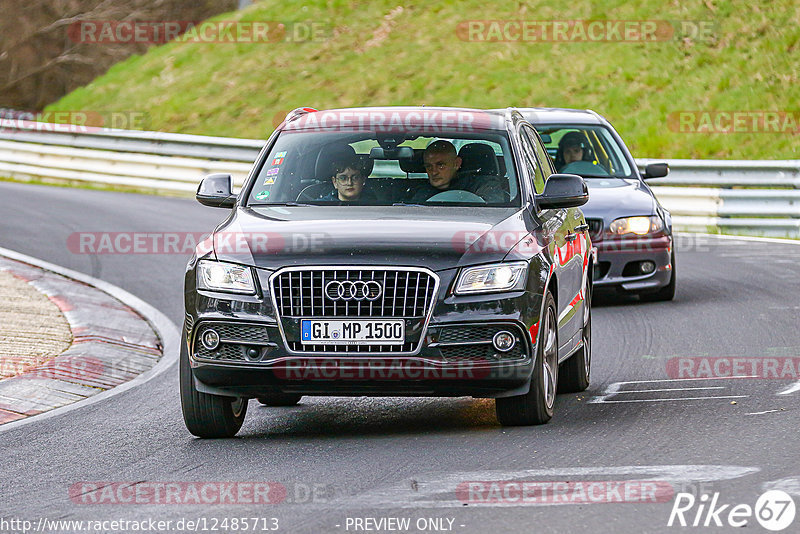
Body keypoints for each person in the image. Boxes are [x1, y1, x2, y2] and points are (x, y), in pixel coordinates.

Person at [408, 140, 506, 203]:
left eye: (440, 165)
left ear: (457, 163)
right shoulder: (420, 192)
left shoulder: (483, 186)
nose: (434, 172)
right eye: (429, 166)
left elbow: (493, 212)